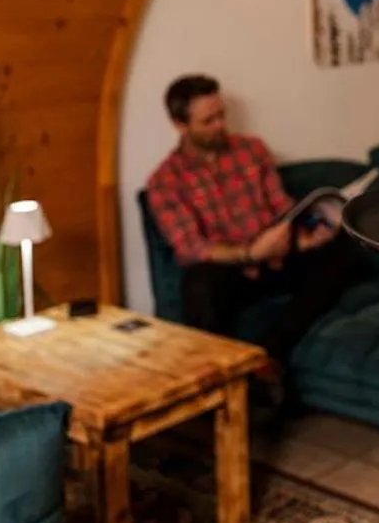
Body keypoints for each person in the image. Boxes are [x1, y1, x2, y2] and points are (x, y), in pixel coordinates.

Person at [143, 74, 356, 363]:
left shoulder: (251, 150)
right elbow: (191, 247)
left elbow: (282, 207)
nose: (220, 126)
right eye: (208, 121)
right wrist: (249, 253)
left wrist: (305, 234)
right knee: (199, 284)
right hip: (231, 269)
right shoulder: (166, 180)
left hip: (277, 255)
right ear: (180, 125)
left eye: (221, 115)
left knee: (343, 250)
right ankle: (218, 375)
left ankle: (271, 351)